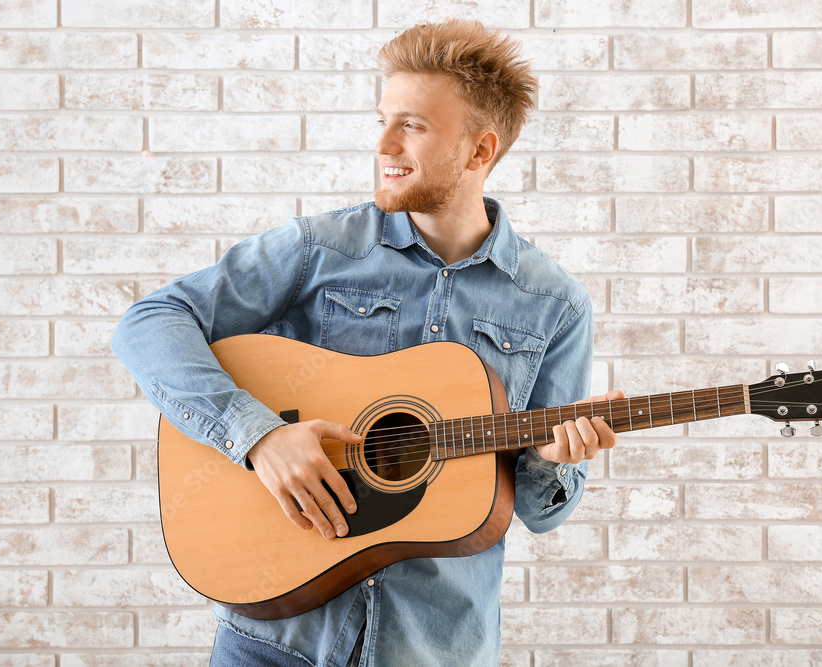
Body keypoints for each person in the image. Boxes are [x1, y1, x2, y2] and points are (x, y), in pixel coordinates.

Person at [112, 19, 623, 667]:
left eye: (412, 124)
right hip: (277, 639)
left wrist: (552, 458)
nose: (383, 142)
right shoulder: (317, 250)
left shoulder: (555, 303)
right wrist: (259, 435)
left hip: (431, 648)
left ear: (479, 150)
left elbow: (540, 513)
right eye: (383, 119)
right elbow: (150, 322)